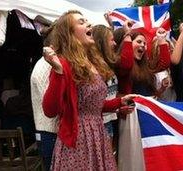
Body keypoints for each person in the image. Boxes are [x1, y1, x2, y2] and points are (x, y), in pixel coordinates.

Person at [41, 10, 136, 170]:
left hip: (97, 134)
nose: (89, 24)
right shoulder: (63, 63)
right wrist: (57, 71)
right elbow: (50, 110)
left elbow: (91, 105)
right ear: (69, 34)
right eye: (81, 22)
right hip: (78, 139)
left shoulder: (92, 62)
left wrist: (119, 103)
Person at [30, 24, 58, 171]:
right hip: (50, 132)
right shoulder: (45, 66)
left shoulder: (48, 64)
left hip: (50, 132)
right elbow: (52, 106)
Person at [92, 24, 118, 154]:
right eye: (111, 40)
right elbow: (95, 103)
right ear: (101, 43)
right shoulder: (93, 68)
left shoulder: (107, 64)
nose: (114, 43)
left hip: (111, 119)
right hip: (101, 123)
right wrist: (120, 103)